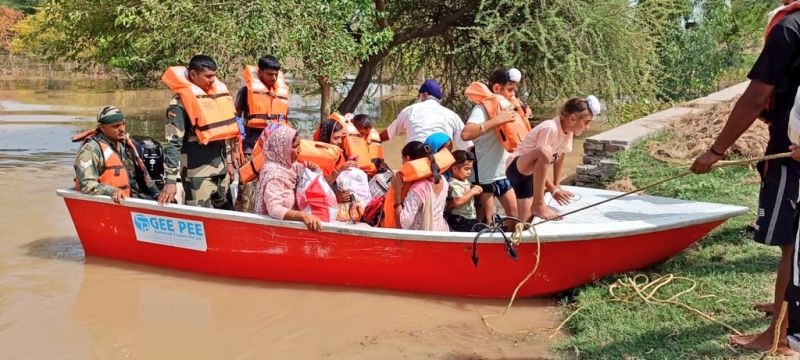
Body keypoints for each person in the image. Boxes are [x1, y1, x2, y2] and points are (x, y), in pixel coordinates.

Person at [690, 8, 800, 355]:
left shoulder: (790, 26)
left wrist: (715, 151)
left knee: (791, 244)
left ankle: (779, 333)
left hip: (791, 151)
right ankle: (785, 305)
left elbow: (756, 96)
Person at [157, 55, 239, 209]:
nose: (212, 80)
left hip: (221, 172)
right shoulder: (179, 106)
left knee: (227, 216)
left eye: (214, 75)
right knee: (200, 221)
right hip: (197, 175)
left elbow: (223, 133)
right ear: (193, 74)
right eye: (208, 76)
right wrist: (170, 181)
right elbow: (173, 143)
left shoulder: (216, 96)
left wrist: (228, 162)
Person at [507, 96, 600, 221]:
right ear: (572, 119)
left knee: (523, 223)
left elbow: (560, 155)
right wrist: (552, 190)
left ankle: (532, 209)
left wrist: (556, 185)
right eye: (586, 122)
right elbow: (541, 158)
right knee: (545, 151)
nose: (587, 127)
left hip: (530, 178)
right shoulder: (550, 128)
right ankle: (539, 204)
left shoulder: (568, 131)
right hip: (516, 169)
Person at [460, 69, 521, 224]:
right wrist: (497, 120)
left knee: (514, 216)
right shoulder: (482, 109)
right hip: (484, 176)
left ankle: (510, 246)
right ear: (496, 89)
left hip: (501, 173)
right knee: (485, 221)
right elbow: (466, 134)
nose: (513, 95)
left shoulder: (508, 108)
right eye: (510, 90)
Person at [73, 106, 160, 204]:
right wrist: (112, 191)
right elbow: (86, 185)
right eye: (116, 126)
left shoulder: (126, 144)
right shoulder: (90, 151)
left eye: (123, 124)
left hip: (132, 198)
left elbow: (144, 176)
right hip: (111, 202)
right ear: (102, 127)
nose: (122, 129)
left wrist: (157, 194)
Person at [254, 125, 322, 231]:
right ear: (282, 149)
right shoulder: (273, 173)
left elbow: (312, 182)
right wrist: (302, 216)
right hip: (273, 231)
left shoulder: (290, 166)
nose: (300, 150)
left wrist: (314, 170)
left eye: (300, 145)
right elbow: (274, 209)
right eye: (295, 146)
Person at [380, 79, 473, 150]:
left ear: (424, 94)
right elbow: (468, 145)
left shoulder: (410, 110)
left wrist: (371, 139)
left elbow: (388, 134)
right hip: (441, 165)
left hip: (416, 162)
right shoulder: (452, 115)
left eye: (418, 95)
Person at [235, 55, 290, 156]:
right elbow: (236, 116)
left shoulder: (282, 93)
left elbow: (286, 118)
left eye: (276, 75)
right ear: (260, 72)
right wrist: (240, 137)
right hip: (251, 146)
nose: (273, 78)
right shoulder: (246, 91)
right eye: (269, 74)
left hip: (275, 146)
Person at [390, 141, 449, 231]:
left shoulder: (419, 187)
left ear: (407, 159)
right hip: (441, 232)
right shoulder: (442, 179)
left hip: (423, 236)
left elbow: (402, 224)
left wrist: (397, 193)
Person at [446, 150, 483, 231]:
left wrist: (474, 186)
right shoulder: (453, 184)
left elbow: (467, 185)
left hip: (469, 217)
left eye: (470, 169)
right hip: (459, 219)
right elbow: (457, 201)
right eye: (466, 169)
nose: (469, 172)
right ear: (455, 169)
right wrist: (472, 191)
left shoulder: (463, 180)